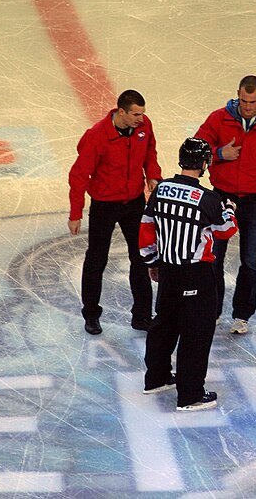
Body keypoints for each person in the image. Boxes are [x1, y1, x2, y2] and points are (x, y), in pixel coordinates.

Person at [139, 138, 238, 411]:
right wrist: (229, 210)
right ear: (204, 164)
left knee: (165, 323)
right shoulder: (207, 198)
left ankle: (156, 378)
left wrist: (152, 261)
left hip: (168, 270)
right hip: (196, 273)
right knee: (197, 331)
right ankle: (190, 394)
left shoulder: (160, 191)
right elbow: (225, 230)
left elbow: (147, 228)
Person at [194, 75, 256, 335]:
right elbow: (196, 148)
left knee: (250, 260)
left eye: (252, 101)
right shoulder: (219, 118)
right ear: (237, 95)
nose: (247, 106)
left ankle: (242, 314)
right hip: (221, 198)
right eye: (243, 100)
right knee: (213, 257)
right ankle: (212, 309)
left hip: (254, 201)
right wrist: (219, 154)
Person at [68, 89, 163, 336]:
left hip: (133, 202)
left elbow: (150, 150)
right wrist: (75, 212)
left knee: (141, 258)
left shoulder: (144, 125)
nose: (140, 119)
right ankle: (91, 315)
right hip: (104, 205)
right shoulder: (97, 136)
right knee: (96, 261)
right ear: (121, 111)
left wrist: (153, 175)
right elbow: (79, 175)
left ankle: (142, 316)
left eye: (142, 114)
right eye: (135, 114)